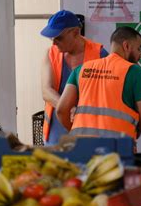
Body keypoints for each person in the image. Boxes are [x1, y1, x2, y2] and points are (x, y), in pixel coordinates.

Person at [56, 26, 141, 142]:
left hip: (81, 147)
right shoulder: (134, 72)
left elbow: (61, 110)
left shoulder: (81, 69)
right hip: (117, 148)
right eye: (139, 49)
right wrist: (134, 131)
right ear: (126, 46)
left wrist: (75, 132)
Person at [40, 10, 108, 145]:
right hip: (56, 134)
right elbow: (46, 91)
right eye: (51, 39)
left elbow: (106, 97)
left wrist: (79, 112)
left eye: (59, 38)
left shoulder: (100, 55)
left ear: (76, 32)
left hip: (89, 132)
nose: (54, 43)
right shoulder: (51, 54)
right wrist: (69, 108)